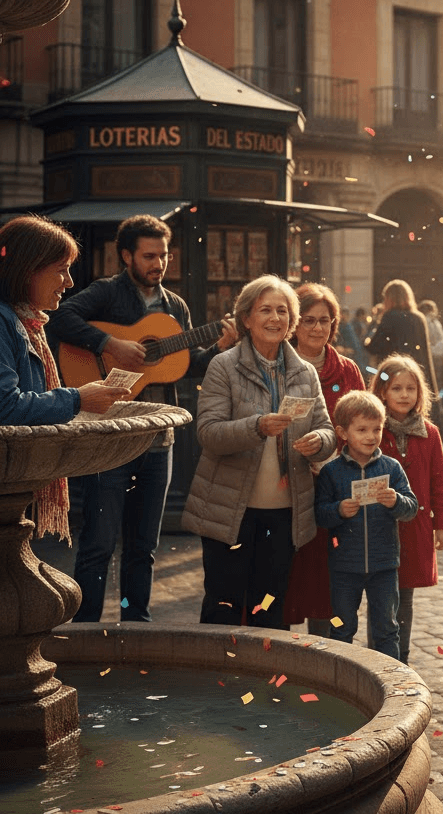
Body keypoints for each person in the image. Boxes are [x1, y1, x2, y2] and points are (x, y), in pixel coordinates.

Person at [46, 214, 237, 623]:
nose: (159, 264)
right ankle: (86, 629)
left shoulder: (176, 308)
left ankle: (136, 627)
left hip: (158, 440)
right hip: (110, 438)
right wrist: (110, 343)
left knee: (142, 546)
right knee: (98, 543)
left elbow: (184, 365)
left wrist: (219, 348)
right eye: (149, 256)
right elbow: (60, 318)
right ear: (126, 255)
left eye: (164, 256)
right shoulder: (105, 293)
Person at [182, 275, 335, 629]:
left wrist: (319, 443)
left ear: (291, 321)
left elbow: (327, 430)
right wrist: (257, 426)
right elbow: (208, 433)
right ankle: (217, 680)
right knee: (224, 606)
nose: (275, 318)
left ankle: (267, 683)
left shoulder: (305, 372)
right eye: (265, 309)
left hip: (284, 516)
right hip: (229, 513)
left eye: (283, 310)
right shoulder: (223, 365)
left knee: (271, 607)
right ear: (246, 318)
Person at [0, 215, 130, 539]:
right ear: (27, 268)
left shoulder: (26, 322)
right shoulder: (5, 322)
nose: (69, 282)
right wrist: (78, 398)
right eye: (61, 268)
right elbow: (5, 408)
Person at [280, 283, 364, 636]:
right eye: (309, 320)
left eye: (325, 321)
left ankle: (322, 656)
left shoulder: (347, 371)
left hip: (333, 488)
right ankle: (277, 651)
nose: (317, 328)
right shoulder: (278, 365)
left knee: (325, 581)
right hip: (284, 486)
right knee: (284, 574)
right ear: (295, 323)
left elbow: (366, 426)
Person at [314, 390, 417, 657]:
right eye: (362, 430)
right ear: (343, 433)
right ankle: (340, 682)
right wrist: (338, 510)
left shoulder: (391, 468)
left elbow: (411, 508)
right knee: (341, 628)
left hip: (384, 565)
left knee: (386, 629)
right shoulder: (331, 471)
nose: (371, 436)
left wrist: (395, 501)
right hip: (344, 566)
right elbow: (320, 514)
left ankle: (391, 683)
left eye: (377, 429)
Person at [369, 354, 443, 663]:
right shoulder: (373, 431)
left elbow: (439, 482)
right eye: (396, 388)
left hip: (415, 529)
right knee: (380, 600)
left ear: (420, 393)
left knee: (404, 599)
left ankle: (400, 660)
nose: (404, 395)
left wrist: (441, 523)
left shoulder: (429, 433)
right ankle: (377, 661)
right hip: (379, 527)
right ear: (382, 392)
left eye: (411, 388)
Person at [366, 279, 443, 439]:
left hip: (392, 377)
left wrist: (375, 323)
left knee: (392, 420)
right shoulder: (419, 318)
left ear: (389, 298)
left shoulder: (389, 317)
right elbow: (426, 357)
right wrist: (434, 397)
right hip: (415, 377)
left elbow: (372, 346)